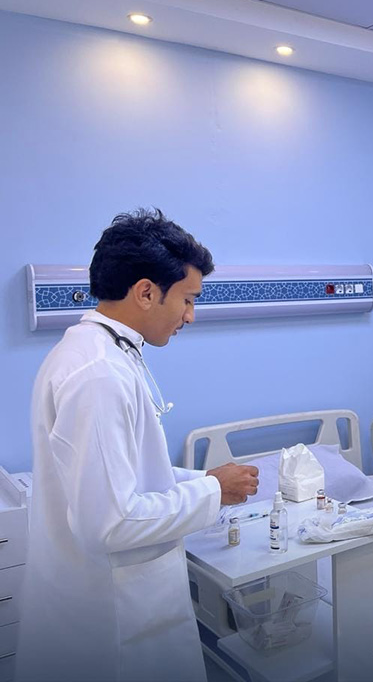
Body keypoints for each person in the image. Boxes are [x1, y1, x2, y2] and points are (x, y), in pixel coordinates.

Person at [16, 210, 260, 682]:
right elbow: (111, 523)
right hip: (111, 626)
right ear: (146, 292)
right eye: (187, 300)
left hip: (106, 602)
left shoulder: (100, 351)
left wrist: (207, 480)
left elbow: (128, 473)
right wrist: (212, 491)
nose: (190, 316)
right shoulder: (99, 376)